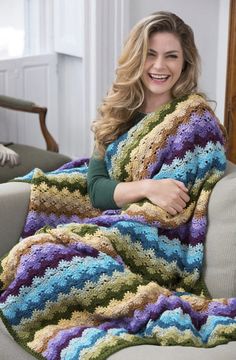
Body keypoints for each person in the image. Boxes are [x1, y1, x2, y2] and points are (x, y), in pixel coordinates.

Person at [0, 11, 235, 360]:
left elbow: (175, 207)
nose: (160, 66)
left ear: (185, 62)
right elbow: (96, 188)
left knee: (39, 255)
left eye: (171, 55)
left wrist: (143, 195)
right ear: (135, 58)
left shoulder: (193, 122)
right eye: (150, 54)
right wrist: (147, 187)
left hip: (154, 238)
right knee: (33, 254)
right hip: (118, 217)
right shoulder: (120, 108)